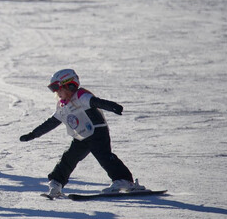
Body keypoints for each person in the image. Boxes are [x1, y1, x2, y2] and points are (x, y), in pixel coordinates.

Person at [19, 69, 144, 198]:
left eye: (58, 88)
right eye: (54, 89)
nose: (56, 92)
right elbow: (51, 122)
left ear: (70, 85)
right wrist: (33, 134)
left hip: (97, 132)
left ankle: (124, 181)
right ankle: (56, 183)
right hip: (81, 136)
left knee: (104, 156)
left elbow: (96, 102)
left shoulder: (81, 96)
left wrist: (112, 106)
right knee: (69, 158)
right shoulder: (62, 106)